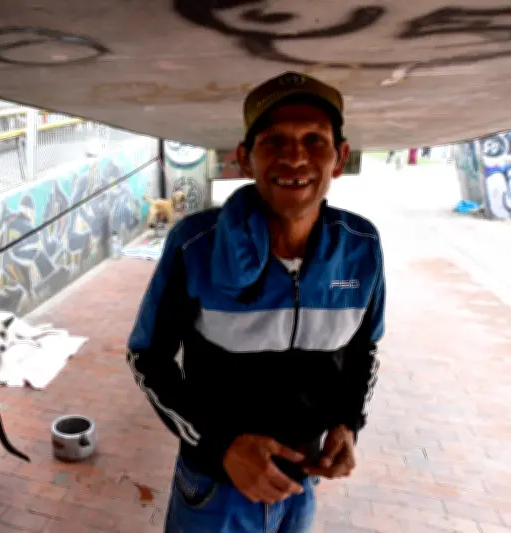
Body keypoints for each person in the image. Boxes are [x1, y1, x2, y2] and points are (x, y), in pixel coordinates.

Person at [127, 71, 386, 533]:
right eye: (274, 141)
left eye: (315, 140)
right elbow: (147, 356)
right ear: (245, 159)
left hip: (301, 487)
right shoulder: (195, 246)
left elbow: (364, 348)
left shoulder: (361, 246)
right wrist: (221, 445)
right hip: (213, 489)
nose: (294, 157)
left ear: (340, 158)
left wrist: (347, 424)